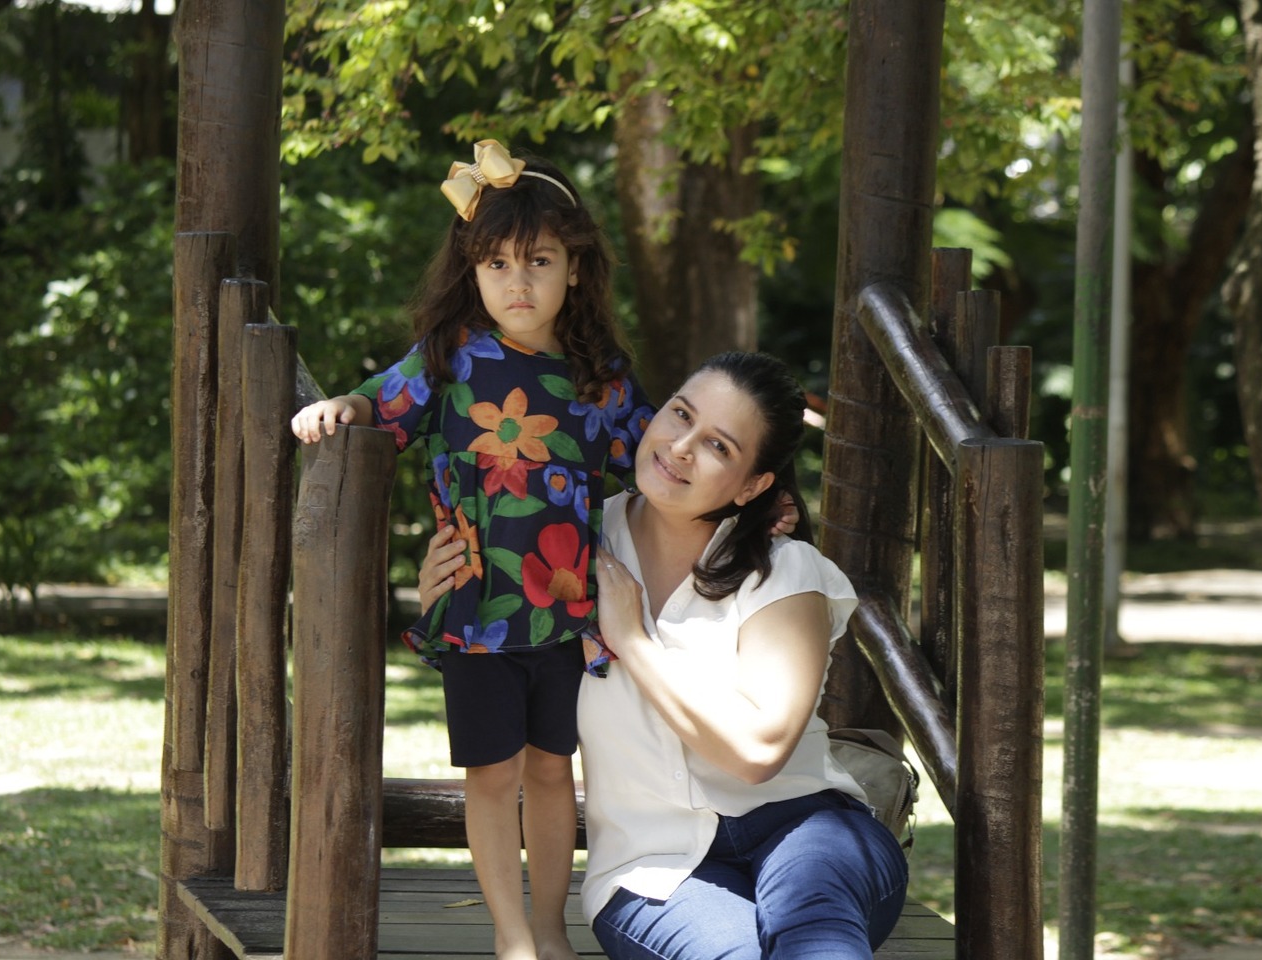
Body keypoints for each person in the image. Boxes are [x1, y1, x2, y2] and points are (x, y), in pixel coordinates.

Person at [291, 139, 655, 960]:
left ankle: (553, 930)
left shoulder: (603, 378)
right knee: (491, 779)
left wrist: (756, 493)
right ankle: (511, 935)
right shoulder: (450, 358)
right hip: (475, 612)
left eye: (538, 261)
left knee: (555, 772)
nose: (516, 282)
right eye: (495, 264)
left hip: (570, 613)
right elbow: (376, 403)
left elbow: (662, 470)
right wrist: (338, 408)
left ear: (576, 268)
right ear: (471, 270)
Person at [420, 351, 910, 959]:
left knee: (817, 937)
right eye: (680, 415)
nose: (681, 447)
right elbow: (495, 666)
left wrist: (632, 641)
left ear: (754, 486)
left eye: (719, 447)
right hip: (648, 868)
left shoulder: (784, 570)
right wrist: (453, 590)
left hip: (803, 825)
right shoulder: (559, 545)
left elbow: (758, 753)